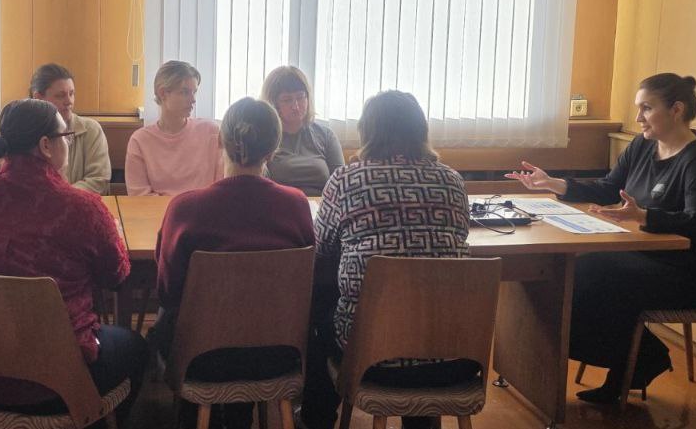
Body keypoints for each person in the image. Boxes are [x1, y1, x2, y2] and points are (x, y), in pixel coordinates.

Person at [506, 73, 696, 403]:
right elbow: (609, 188)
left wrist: (645, 216)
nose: (638, 118)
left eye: (646, 108)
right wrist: (554, 184)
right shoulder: (642, 145)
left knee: (588, 274)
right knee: (570, 270)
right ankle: (641, 356)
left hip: (688, 272)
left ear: (677, 109)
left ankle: (637, 360)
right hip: (641, 256)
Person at [0, 99, 147, 423]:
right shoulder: (82, 207)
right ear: (45, 145)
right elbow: (116, 274)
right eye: (65, 136)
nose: (68, 143)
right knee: (136, 347)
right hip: (58, 380)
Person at [301, 90, 472, 429]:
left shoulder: (347, 180)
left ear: (367, 131)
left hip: (372, 359)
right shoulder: (453, 181)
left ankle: (315, 419)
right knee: (423, 301)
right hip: (454, 357)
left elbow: (320, 250)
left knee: (318, 309)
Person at [154, 97, 315, 429]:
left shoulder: (185, 209)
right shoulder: (296, 205)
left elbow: (167, 292)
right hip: (277, 354)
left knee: (165, 321)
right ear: (273, 150)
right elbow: (307, 284)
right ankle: (240, 416)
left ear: (220, 141)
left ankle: (198, 415)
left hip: (201, 358)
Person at [125, 61, 222, 196]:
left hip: (206, 208)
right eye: (185, 92)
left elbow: (222, 188)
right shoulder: (140, 140)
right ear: (163, 94)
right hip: (159, 210)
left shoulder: (211, 132)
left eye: (194, 92)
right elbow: (139, 196)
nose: (193, 99)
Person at [260, 65, 345, 195]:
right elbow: (258, 185)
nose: (296, 106)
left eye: (300, 97)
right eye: (287, 100)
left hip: (321, 205)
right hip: (279, 204)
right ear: (273, 103)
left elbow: (341, 183)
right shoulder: (265, 137)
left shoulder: (326, 135)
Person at [30, 63, 112, 193]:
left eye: (72, 94)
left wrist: (62, 197)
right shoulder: (23, 130)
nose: (69, 101)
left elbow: (98, 180)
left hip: (79, 202)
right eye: (60, 95)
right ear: (38, 98)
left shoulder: (91, 129)